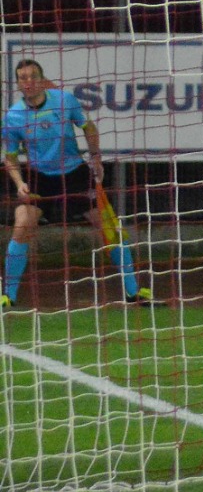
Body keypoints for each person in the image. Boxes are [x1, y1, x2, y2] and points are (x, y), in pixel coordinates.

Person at [3, 58, 152, 309]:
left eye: (32, 76)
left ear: (41, 79)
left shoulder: (64, 101)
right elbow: (10, 156)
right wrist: (19, 183)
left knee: (110, 227)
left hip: (75, 174)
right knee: (22, 224)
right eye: (23, 77)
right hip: (40, 178)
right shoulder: (14, 116)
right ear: (18, 83)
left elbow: (88, 127)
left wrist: (96, 159)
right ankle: (8, 296)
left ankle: (132, 291)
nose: (28, 81)